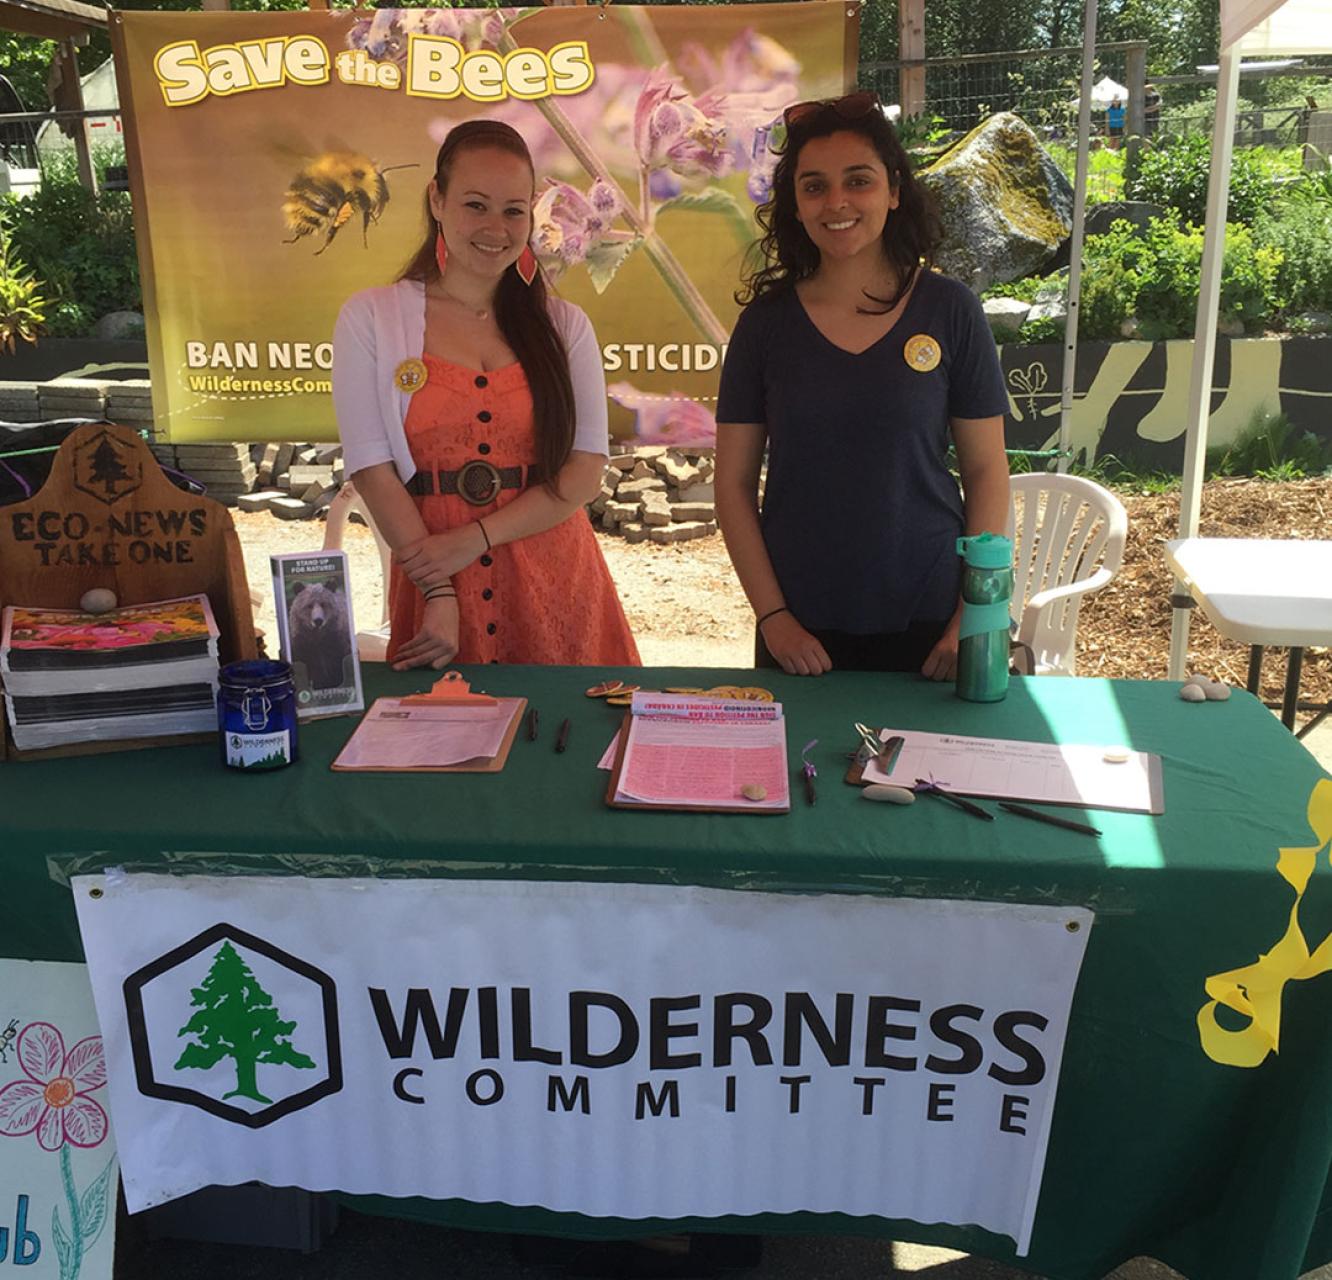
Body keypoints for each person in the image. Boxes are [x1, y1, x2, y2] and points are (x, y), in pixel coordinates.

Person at [714, 91, 1010, 679]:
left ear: (894, 191)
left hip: (932, 620)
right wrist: (772, 615)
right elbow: (733, 488)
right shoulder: (765, 326)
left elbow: (986, 472)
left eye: (858, 180)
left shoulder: (950, 310)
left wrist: (973, 616)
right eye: (814, 186)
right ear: (795, 205)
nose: (837, 202)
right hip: (800, 627)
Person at [333, 120, 640, 671]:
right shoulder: (372, 318)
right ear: (437, 199)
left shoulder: (564, 326)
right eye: (475, 205)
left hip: (555, 575)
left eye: (513, 210)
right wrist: (439, 593)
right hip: (434, 579)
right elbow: (371, 469)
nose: (495, 228)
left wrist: (474, 538)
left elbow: (583, 474)